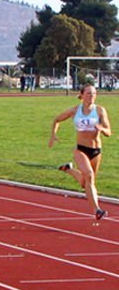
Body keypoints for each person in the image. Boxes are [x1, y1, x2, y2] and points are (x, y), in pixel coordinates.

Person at [49, 84, 112, 221]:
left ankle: (69, 169)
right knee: (89, 176)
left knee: (86, 182)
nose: (92, 96)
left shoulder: (100, 111)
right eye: (89, 93)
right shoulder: (74, 111)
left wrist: (101, 128)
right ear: (82, 95)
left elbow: (109, 132)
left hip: (96, 151)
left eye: (94, 94)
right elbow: (57, 120)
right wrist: (53, 135)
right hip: (81, 149)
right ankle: (97, 210)